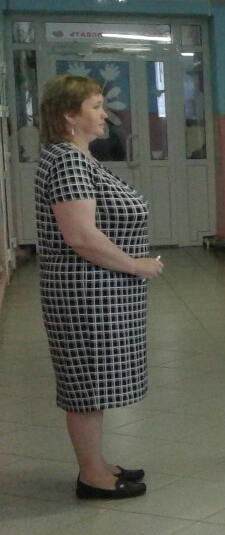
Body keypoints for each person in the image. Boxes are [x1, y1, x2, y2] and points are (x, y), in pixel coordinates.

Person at [35, 74, 162, 499]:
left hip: (98, 293)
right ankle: (92, 475)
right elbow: (81, 236)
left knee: (94, 383)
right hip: (85, 295)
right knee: (86, 386)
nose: (105, 114)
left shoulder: (76, 157)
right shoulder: (67, 162)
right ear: (69, 115)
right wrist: (136, 265)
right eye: (95, 106)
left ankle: (97, 463)